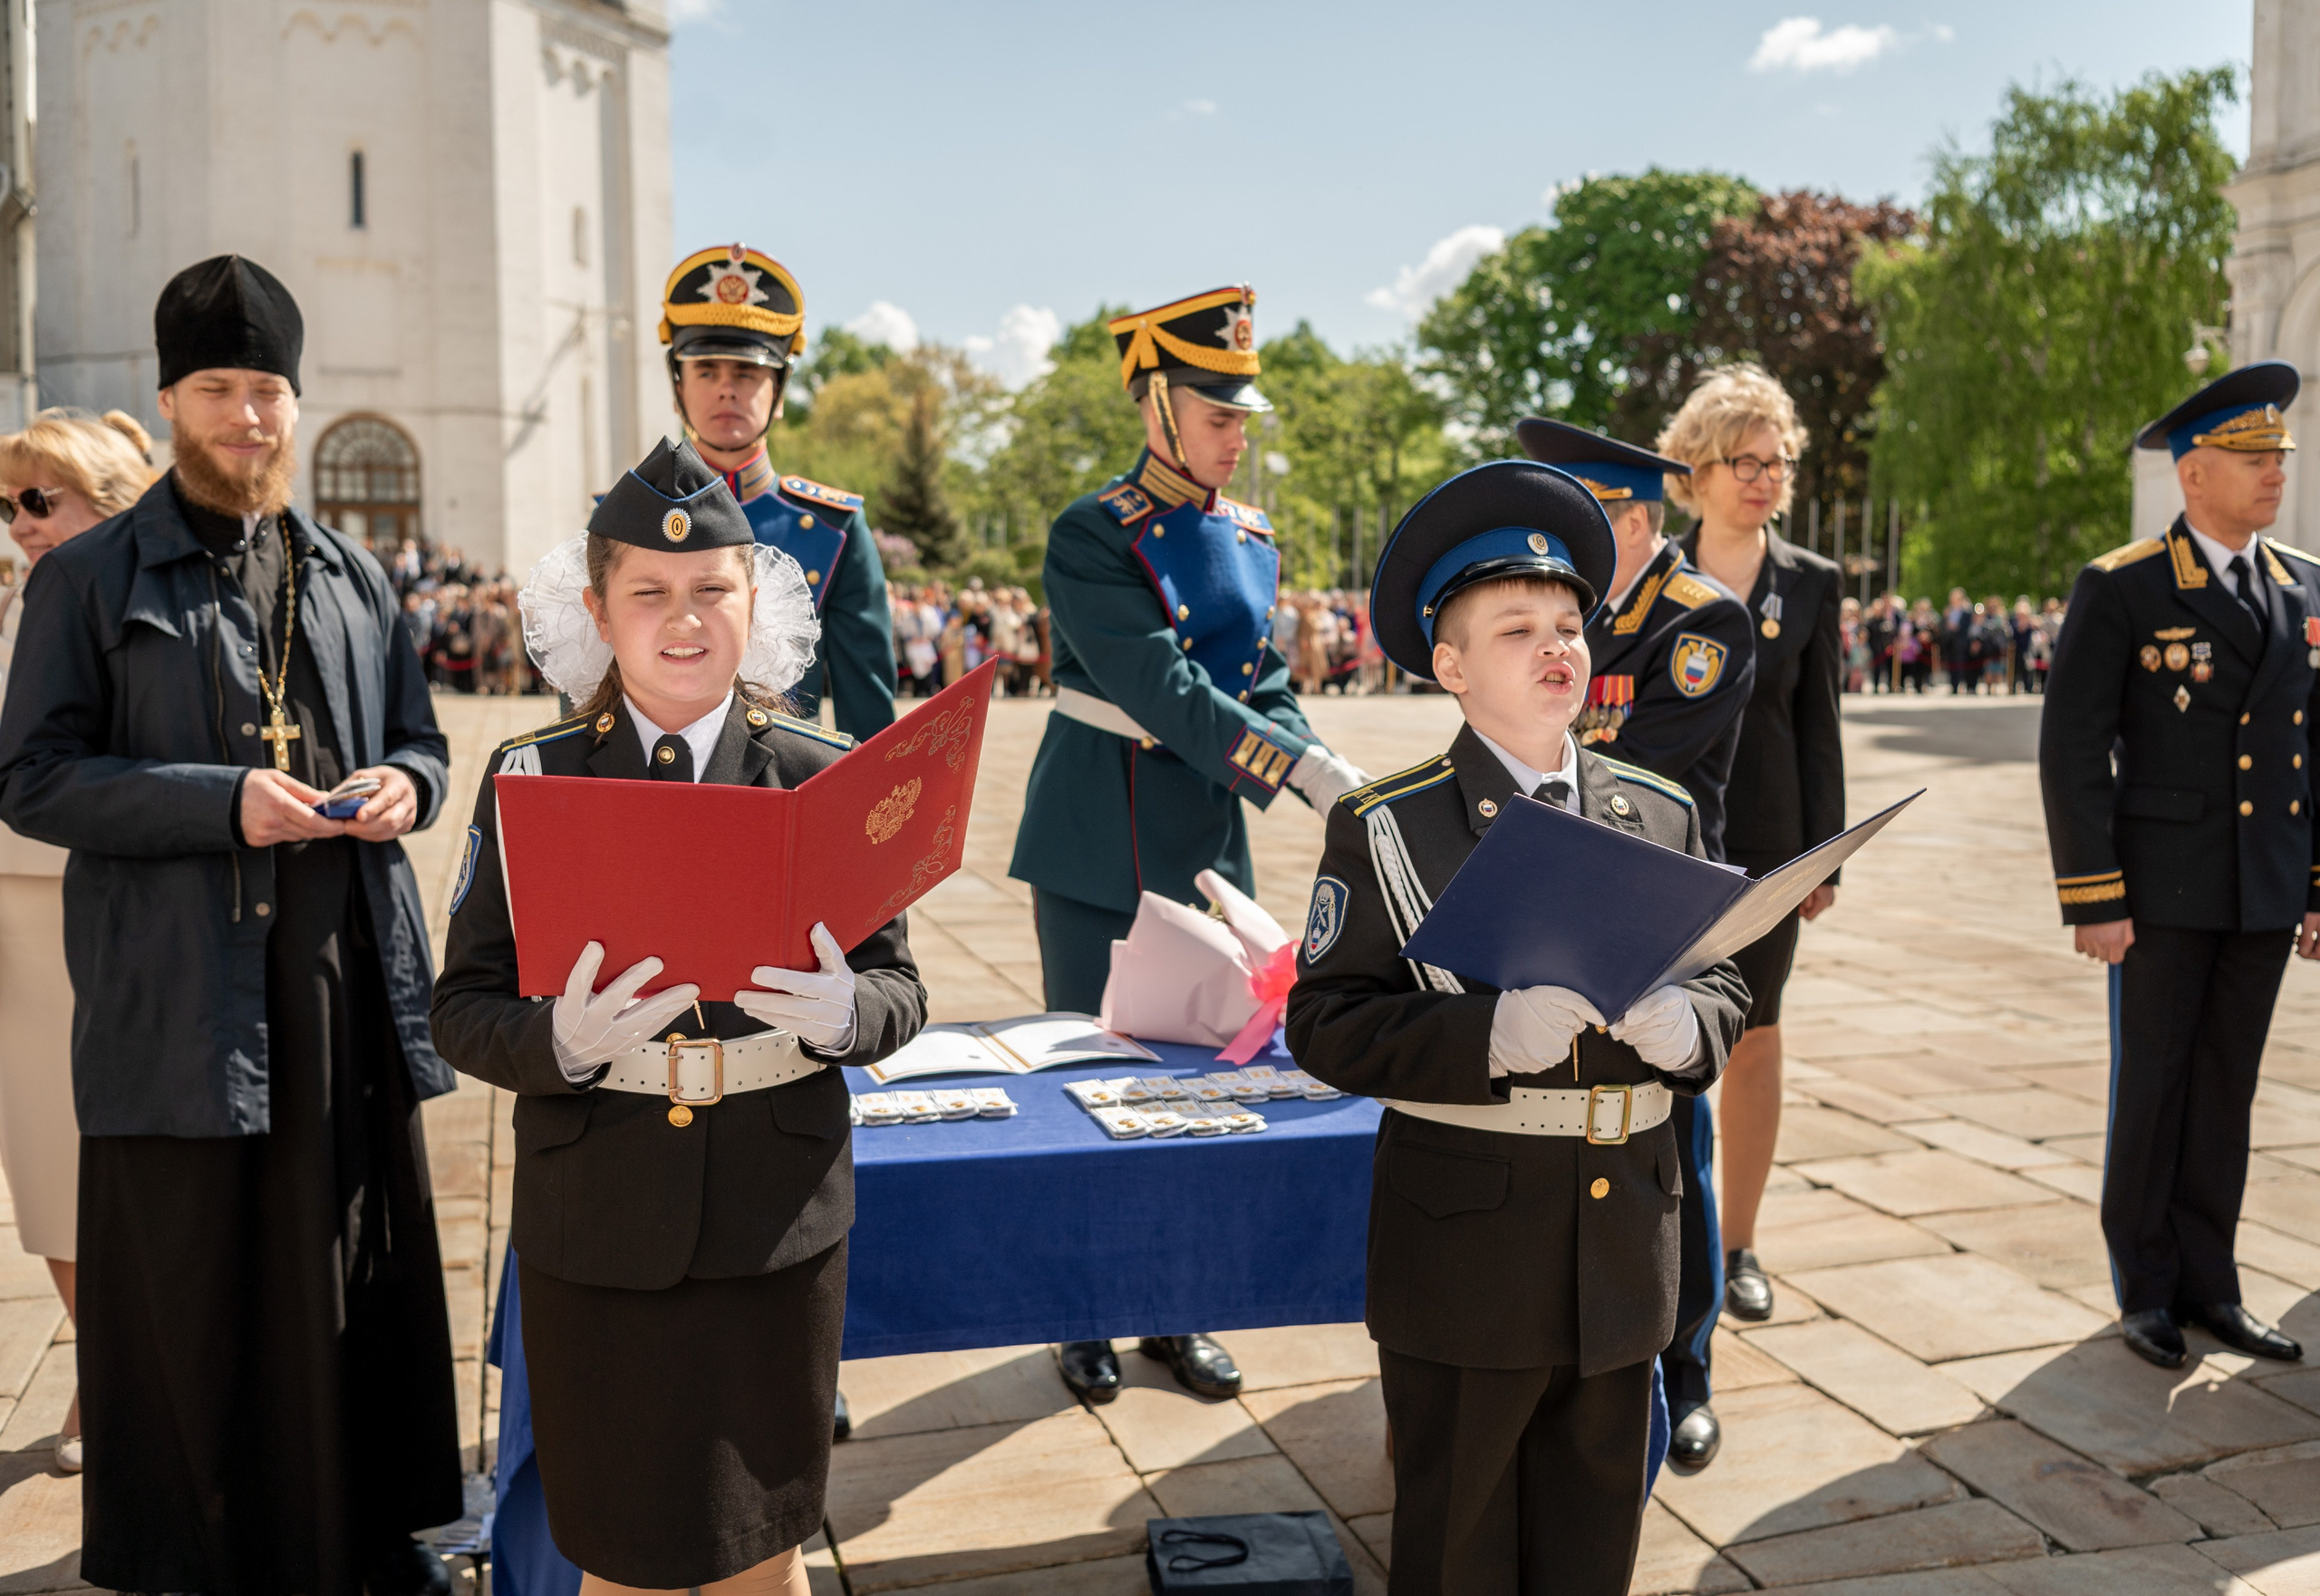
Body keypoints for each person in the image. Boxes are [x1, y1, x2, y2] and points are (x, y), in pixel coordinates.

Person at [0, 255, 460, 1595]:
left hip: (338, 980)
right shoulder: (86, 578)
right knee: (195, 1288)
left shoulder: (353, 573)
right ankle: (197, 1555)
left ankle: (358, 1537)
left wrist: (403, 786)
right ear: (169, 399)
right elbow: (31, 779)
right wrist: (222, 804)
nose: (248, 416)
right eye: (219, 390)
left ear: (296, 407)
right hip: (171, 991)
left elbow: (425, 739)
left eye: (268, 391)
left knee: (340, 1272)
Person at [433, 438, 927, 1592]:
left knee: (764, 1547)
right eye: (648, 593)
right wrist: (555, 1041)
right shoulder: (533, 776)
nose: (684, 617)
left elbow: (901, 987)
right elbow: (460, 1008)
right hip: (597, 1210)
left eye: (713, 589)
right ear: (598, 611)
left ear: (755, 605)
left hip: (774, 1215)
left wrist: (846, 1013)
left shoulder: (823, 775)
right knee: (622, 1552)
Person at [1287, 459, 1746, 1596]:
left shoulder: (1657, 811)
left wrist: (1693, 1028)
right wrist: (1485, 1038)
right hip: (1468, 1259)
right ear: (1450, 666)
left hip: (1627, 1248)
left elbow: (1728, 980)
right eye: (1514, 629)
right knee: (1461, 1555)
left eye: (1568, 624)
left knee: (1596, 1550)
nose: (1557, 647)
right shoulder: (1390, 827)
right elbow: (1326, 1024)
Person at [1009, 285, 1367, 1404]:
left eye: (1241, 414)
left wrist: (1332, 777)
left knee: (1200, 1085)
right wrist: (1296, 771)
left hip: (1206, 837)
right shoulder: (1091, 531)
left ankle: (1176, 1304)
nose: (1236, 433)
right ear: (1156, 406)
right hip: (1097, 837)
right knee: (1086, 1080)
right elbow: (1161, 688)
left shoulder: (1249, 537)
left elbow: (1259, 686)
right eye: (1217, 413)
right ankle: (1082, 1315)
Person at [2040, 358, 2320, 1371]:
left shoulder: (2303, 586)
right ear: (2191, 473)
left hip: (2260, 885)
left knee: (2226, 1090)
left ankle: (2215, 1285)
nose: (2273, 472)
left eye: (2277, 456)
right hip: (2158, 889)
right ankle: (2146, 1289)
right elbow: (2071, 749)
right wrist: (2093, 894)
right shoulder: (2123, 586)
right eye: (2251, 456)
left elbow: (2312, 748)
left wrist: (2315, 886)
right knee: (2153, 1086)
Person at [1513, 415, 1753, 1470]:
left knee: (1673, 1150)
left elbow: (1638, 773)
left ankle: (1684, 1363)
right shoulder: (1561, 615)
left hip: (1656, 915)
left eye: (1578, 520)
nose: (1551, 546)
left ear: (1634, 516)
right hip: (1549, 902)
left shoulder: (1698, 622)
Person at [1667, 363, 1844, 1327]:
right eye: (1744, 461)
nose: (1764, 479)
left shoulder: (1810, 584)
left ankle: (1737, 1242)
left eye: (1777, 463)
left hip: (1773, 851)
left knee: (1757, 1035)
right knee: (1660, 1043)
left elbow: (1819, 727)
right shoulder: (1652, 576)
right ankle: (1670, 1234)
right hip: (1667, 850)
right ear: (1694, 470)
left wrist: (1827, 856)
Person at [0, 407, 156, 1477]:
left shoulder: (140, 602)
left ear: (105, 500)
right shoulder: (12, 602)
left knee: (132, 1155)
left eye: (37, 499)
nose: (17, 523)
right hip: (12, 904)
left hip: (115, 902)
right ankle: (102, 1365)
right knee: (46, 1163)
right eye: (7, 503)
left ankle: (149, 1367)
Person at [660, 243, 897, 740]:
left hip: (787, 788)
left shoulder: (835, 529)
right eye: (706, 371)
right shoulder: (627, 518)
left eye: (747, 372)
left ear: (781, 389)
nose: (727, 389)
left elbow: (867, 716)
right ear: (677, 386)